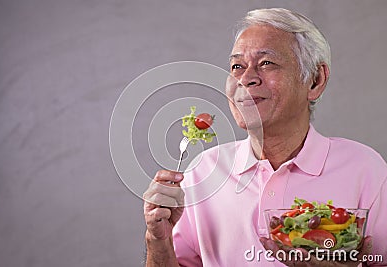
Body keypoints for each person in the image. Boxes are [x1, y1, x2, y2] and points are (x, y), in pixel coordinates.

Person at [143, 8, 387, 266]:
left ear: (315, 80)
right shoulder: (202, 171)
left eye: (266, 63)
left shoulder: (364, 168)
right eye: (237, 66)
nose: (245, 79)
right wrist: (157, 241)